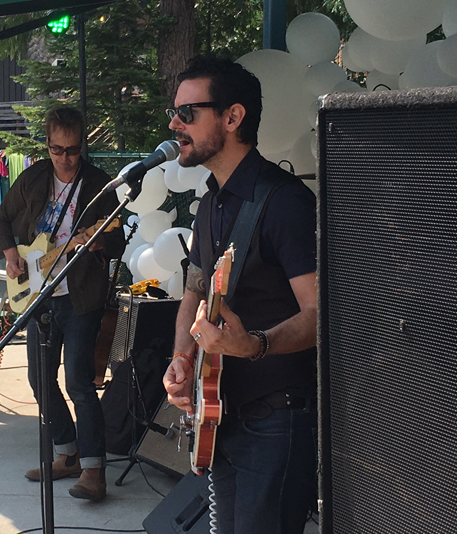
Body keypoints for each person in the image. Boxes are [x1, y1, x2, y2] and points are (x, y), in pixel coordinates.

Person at [161, 55, 317, 534]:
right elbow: (196, 291)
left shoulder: (286, 201)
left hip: (276, 420)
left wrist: (256, 345)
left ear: (232, 118)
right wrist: (182, 360)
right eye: (175, 113)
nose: (174, 124)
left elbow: (322, 312)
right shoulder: (210, 202)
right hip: (221, 414)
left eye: (188, 113)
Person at [0, 107, 125, 502]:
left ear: (82, 144)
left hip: (81, 296)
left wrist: (99, 240)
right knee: (40, 380)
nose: (65, 158)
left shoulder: (100, 185)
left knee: (80, 383)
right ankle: (66, 454)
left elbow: (118, 238)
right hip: (38, 296)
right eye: (57, 150)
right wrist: (9, 253)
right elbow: (2, 217)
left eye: (72, 150)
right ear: (47, 144)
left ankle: (93, 470)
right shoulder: (34, 177)